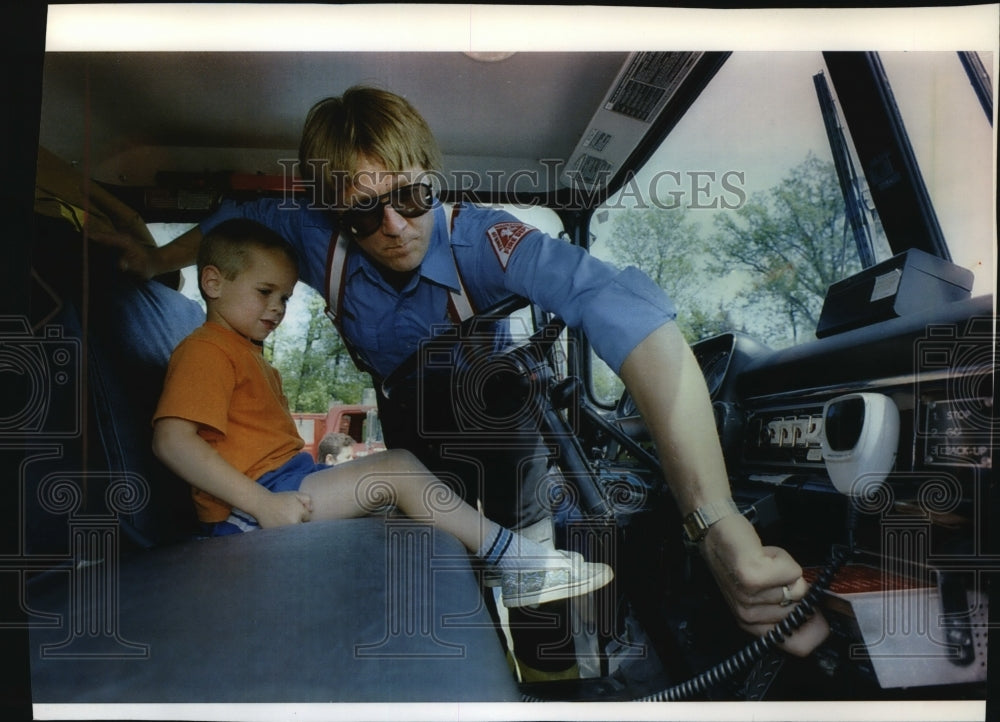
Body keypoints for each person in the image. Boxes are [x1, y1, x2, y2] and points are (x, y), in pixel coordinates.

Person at [99, 86, 828, 657]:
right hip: (415, 439)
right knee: (456, 604)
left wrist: (717, 519)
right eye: (363, 213)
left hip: (505, 445)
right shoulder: (305, 233)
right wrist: (152, 261)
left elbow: (635, 322)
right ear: (331, 212)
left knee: (547, 611)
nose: (393, 228)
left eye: (412, 197)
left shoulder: (490, 241)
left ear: (434, 179)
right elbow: (228, 223)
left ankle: (553, 684)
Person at [150, 218, 614, 609]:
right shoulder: (207, 350)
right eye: (266, 291)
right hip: (248, 511)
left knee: (401, 504)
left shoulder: (244, 352)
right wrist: (260, 504)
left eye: (286, 297)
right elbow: (172, 440)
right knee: (398, 469)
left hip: (283, 485)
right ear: (212, 282)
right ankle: (518, 561)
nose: (277, 308)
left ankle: (491, 563)